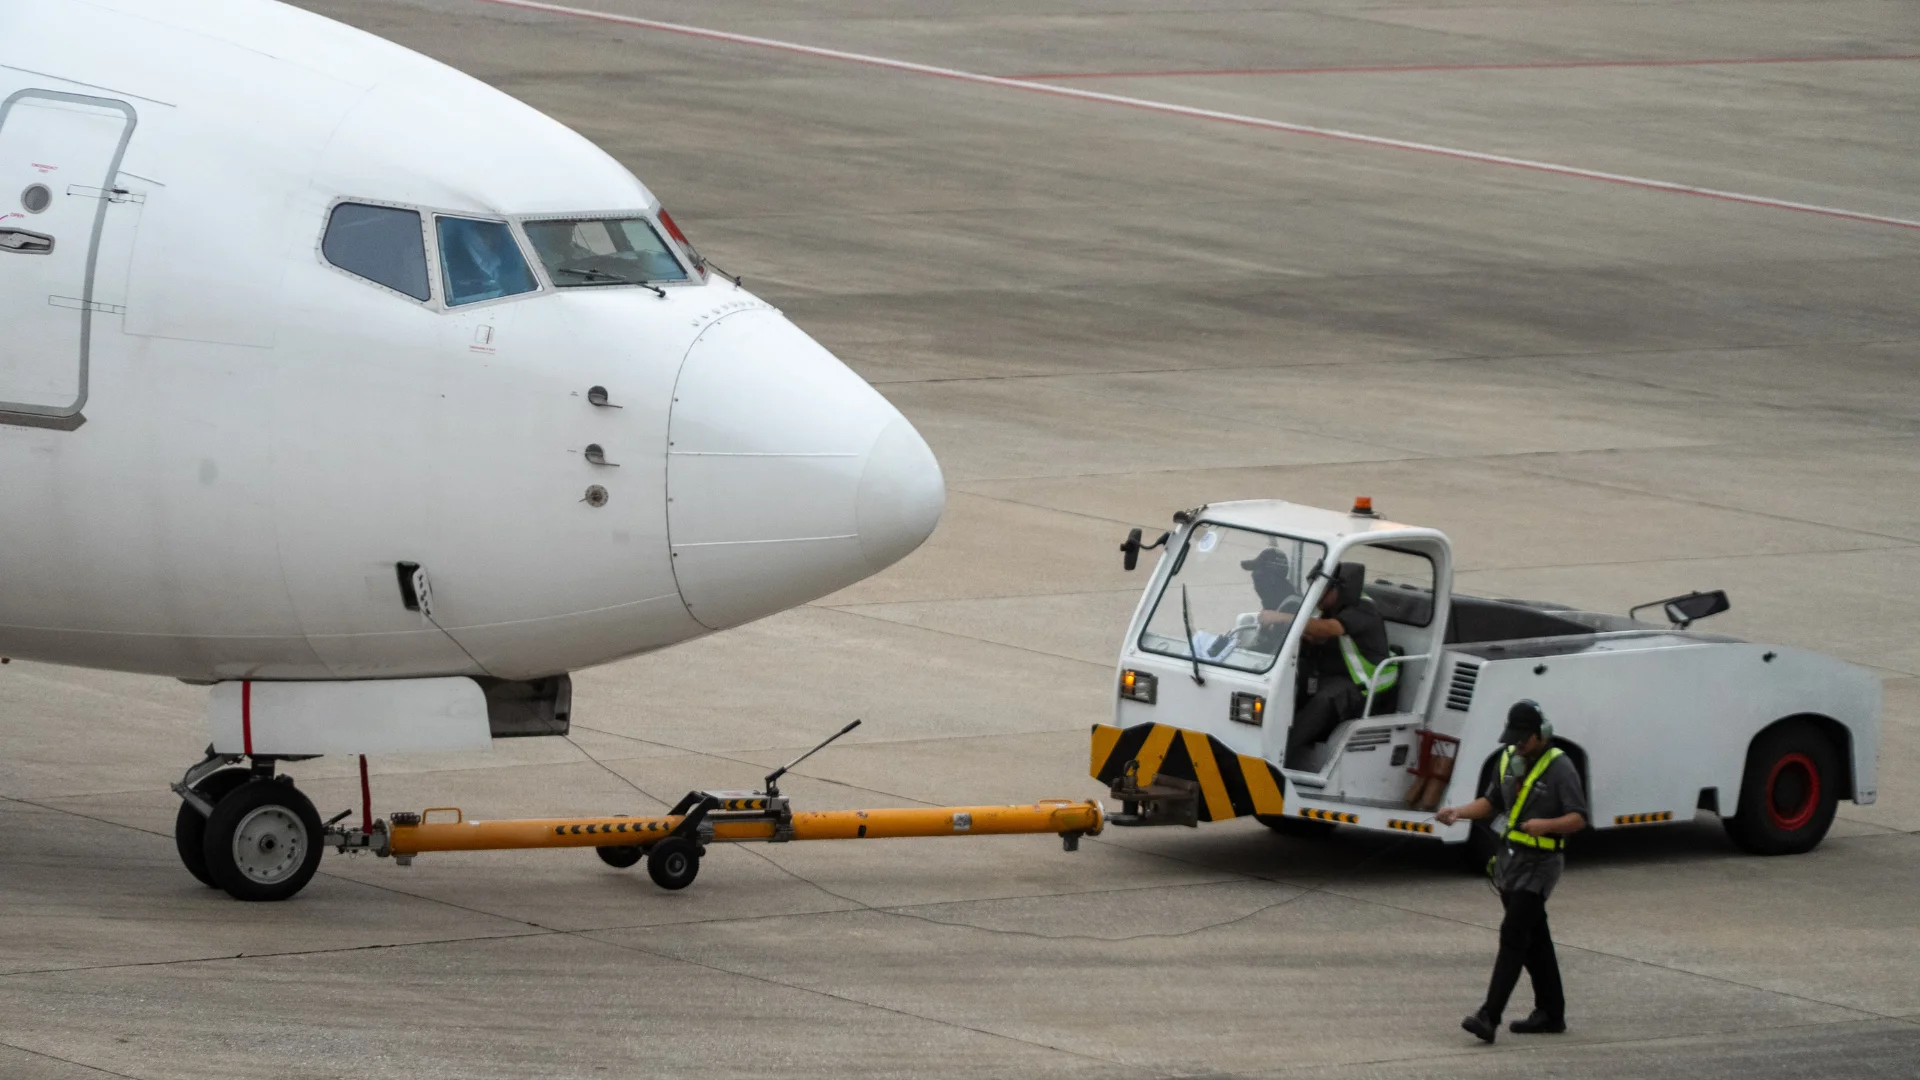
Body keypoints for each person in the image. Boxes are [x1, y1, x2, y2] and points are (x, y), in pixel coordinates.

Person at [1435, 700, 1588, 1043]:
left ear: (1539, 735)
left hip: (1542, 864)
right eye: (1513, 738)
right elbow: (1491, 804)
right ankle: (1551, 1012)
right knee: (1535, 940)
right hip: (1510, 862)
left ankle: (1489, 1015)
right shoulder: (1506, 760)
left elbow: (1579, 817)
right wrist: (1457, 813)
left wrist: (1547, 825)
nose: (1516, 744)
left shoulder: (1560, 767)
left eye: (1523, 739)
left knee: (1514, 935)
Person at [1283, 561, 1395, 768]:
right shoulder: (1331, 607)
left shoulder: (1363, 608)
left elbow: (1329, 630)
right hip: (1337, 675)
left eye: (1323, 590)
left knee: (1325, 700)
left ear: (1339, 588)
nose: (1317, 596)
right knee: (1293, 681)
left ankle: (1281, 751)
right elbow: (1316, 637)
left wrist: (1283, 619)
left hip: (1366, 685)